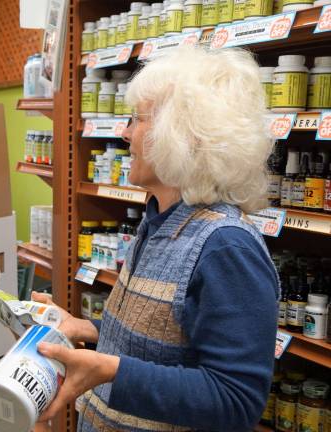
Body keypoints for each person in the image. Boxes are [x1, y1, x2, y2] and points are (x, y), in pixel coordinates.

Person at [33, 46, 279, 431]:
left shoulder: (225, 246)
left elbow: (236, 400)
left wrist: (110, 369)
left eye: (137, 119)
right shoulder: (160, 221)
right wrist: (89, 330)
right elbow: (167, 343)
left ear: (180, 134)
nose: (126, 133)